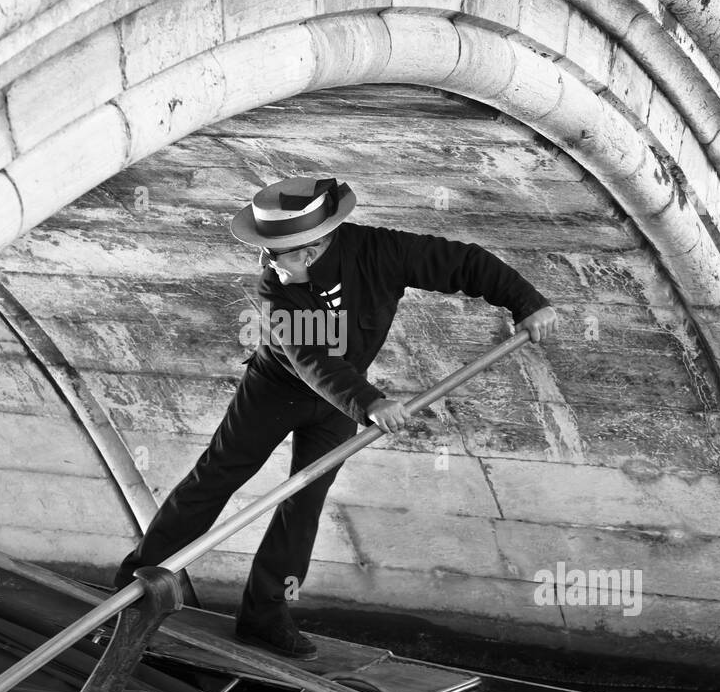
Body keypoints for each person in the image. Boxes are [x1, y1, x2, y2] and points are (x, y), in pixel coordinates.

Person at [113, 175, 557, 659]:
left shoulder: (380, 250)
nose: (267, 262)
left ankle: (264, 616)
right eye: (267, 251)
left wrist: (526, 302)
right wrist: (369, 403)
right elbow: (313, 360)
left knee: (303, 503)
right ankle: (135, 587)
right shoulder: (274, 289)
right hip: (276, 391)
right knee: (214, 480)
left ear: (313, 247)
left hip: (336, 403)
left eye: (277, 253)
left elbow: (464, 263)